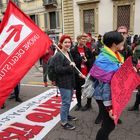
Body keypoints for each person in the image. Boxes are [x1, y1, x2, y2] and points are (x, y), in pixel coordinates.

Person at [90, 31, 124, 140]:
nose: (124, 42)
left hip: (111, 96)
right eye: (121, 41)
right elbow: (105, 86)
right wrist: (109, 107)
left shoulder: (116, 55)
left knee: (106, 124)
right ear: (114, 44)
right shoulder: (104, 59)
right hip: (106, 98)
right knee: (109, 126)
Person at [54, 34, 77, 130]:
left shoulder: (68, 53)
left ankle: (66, 115)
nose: (68, 44)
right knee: (65, 102)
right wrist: (70, 66)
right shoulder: (59, 55)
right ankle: (64, 122)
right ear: (61, 44)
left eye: (69, 42)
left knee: (68, 101)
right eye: (65, 42)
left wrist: (78, 74)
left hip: (70, 82)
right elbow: (58, 70)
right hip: (64, 83)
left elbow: (73, 66)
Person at [70, 33, 94, 111]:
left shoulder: (88, 49)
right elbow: (72, 62)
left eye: (85, 39)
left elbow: (92, 61)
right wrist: (81, 59)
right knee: (78, 90)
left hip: (87, 73)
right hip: (78, 73)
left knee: (89, 89)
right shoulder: (73, 50)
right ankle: (79, 104)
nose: (84, 40)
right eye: (82, 39)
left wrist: (87, 61)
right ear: (78, 40)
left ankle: (88, 104)